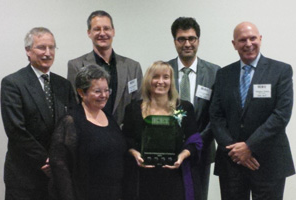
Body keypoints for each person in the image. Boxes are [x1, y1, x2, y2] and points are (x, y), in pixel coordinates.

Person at [210, 22, 295, 200]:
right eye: (242, 40)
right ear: (234, 44)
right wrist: (236, 152)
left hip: (269, 161)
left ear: (260, 39)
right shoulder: (223, 74)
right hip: (231, 162)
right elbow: (216, 116)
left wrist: (249, 146)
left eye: (252, 38)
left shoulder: (281, 71)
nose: (248, 44)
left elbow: (281, 115)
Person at [0, 27, 76, 200]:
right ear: (28, 50)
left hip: (58, 175)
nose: (48, 53)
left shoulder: (63, 85)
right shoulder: (13, 83)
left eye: (52, 47)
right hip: (25, 175)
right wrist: (46, 160)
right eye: (42, 47)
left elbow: (71, 125)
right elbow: (16, 130)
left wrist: (59, 161)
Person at [122, 61, 202, 200]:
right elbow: (125, 140)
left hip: (175, 177)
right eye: (156, 77)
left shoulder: (184, 107)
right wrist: (134, 153)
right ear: (148, 80)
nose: (161, 81)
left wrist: (182, 156)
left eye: (165, 77)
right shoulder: (133, 109)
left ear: (171, 81)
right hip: (142, 178)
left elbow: (194, 141)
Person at [49, 65, 127, 200]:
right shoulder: (71, 121)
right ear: (81, 92)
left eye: (107, 90)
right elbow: (60, 167)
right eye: (97, 91)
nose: (104, 96)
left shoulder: (110, 118)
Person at [168, 17, 220, 200]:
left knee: (198, 195)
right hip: (169, 149)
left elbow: (217, 116)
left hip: (202, 149)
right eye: (182, 39)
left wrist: (196, 141)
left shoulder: (215, 72)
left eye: (192, 38)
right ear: (174, 41)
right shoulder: (164, 71)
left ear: (198, 39)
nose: (187, 43)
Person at [67, 10, 143, 125]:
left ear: (113, 32)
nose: (102, 33)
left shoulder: (133, 67)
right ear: (89, 33)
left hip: (125, 135)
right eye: (97, 29)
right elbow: (75, 104)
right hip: (91, 134)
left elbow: (138, 104)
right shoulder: (76, 66)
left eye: (106, 28)